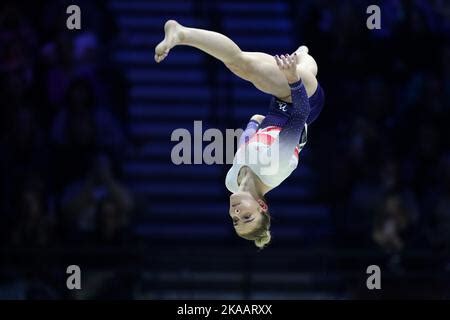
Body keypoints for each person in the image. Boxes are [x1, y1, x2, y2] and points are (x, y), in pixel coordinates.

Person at [155, 20, 325, 248]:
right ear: (261, 206)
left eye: (235, 220)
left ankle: (303, 56)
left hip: (279, 104)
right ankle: (181, 34)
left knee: (246, 63)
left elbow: (247, 141)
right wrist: (294, 80)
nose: (236, 213)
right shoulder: (275, 168)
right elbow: (301, 113)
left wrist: (254, 126)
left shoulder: (232, 181)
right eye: (247, 216)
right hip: (304, 99)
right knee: (240, 65)